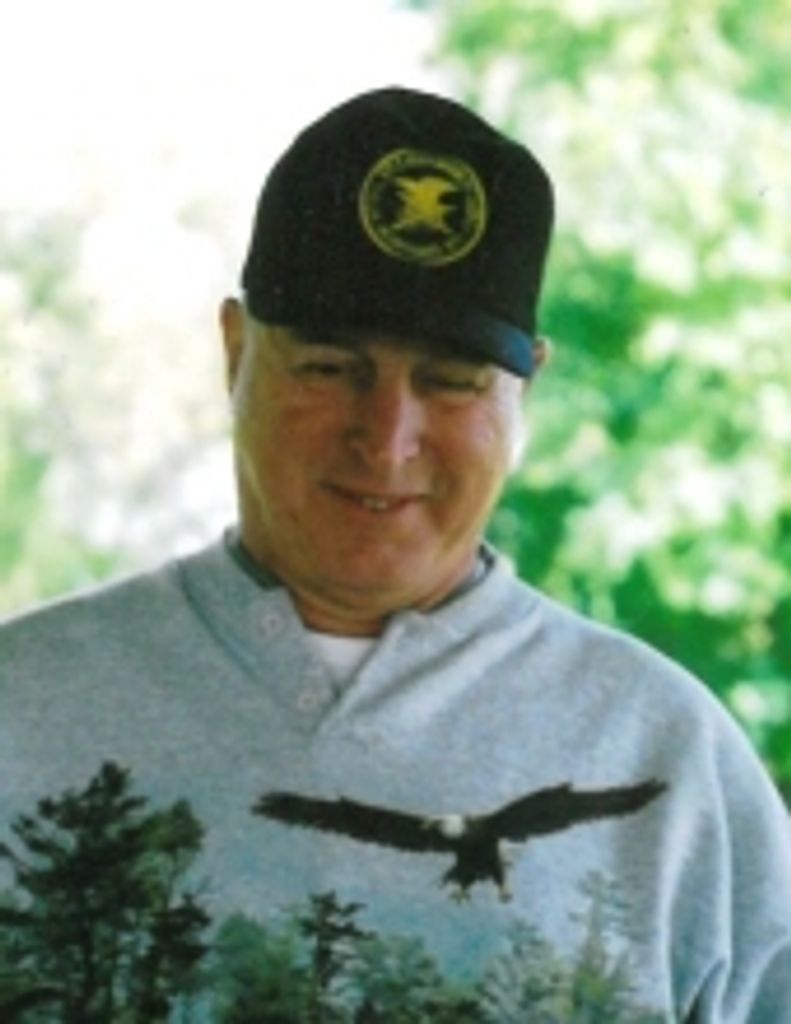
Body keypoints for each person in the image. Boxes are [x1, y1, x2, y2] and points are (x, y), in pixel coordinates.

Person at [1, 87, 789, 1022]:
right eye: (330, 368)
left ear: (525, 393)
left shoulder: (670, 756)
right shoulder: (24, 703)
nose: (385, 439)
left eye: (450, 381)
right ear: (234, 351)